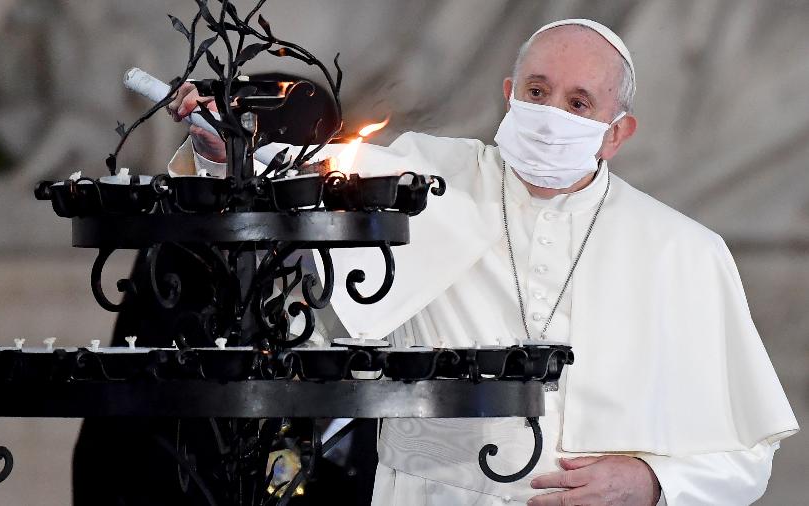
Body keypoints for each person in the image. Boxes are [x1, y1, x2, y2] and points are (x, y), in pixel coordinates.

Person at [166, 19, 799, 506]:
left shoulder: (684, 251)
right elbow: (285, 185)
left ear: (617, 132)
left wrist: (654, 482)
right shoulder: (418, 180)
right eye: (537, 91)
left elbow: (746, 453)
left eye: (580, 104)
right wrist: (221, 148)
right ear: (509, 94)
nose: (552, 114)